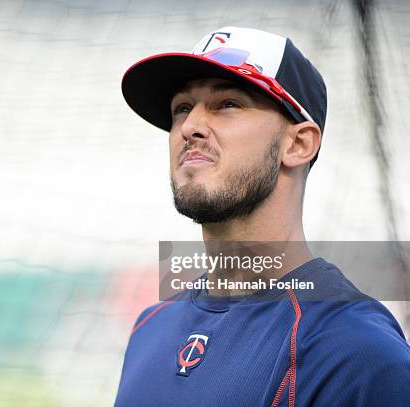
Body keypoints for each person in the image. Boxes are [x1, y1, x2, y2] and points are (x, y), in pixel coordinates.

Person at [115, 26, 410, 406]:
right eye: (182, 108)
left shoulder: (354, 349)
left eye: (227, 104)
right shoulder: (148, 328)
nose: (190, 127)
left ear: (299, 143)